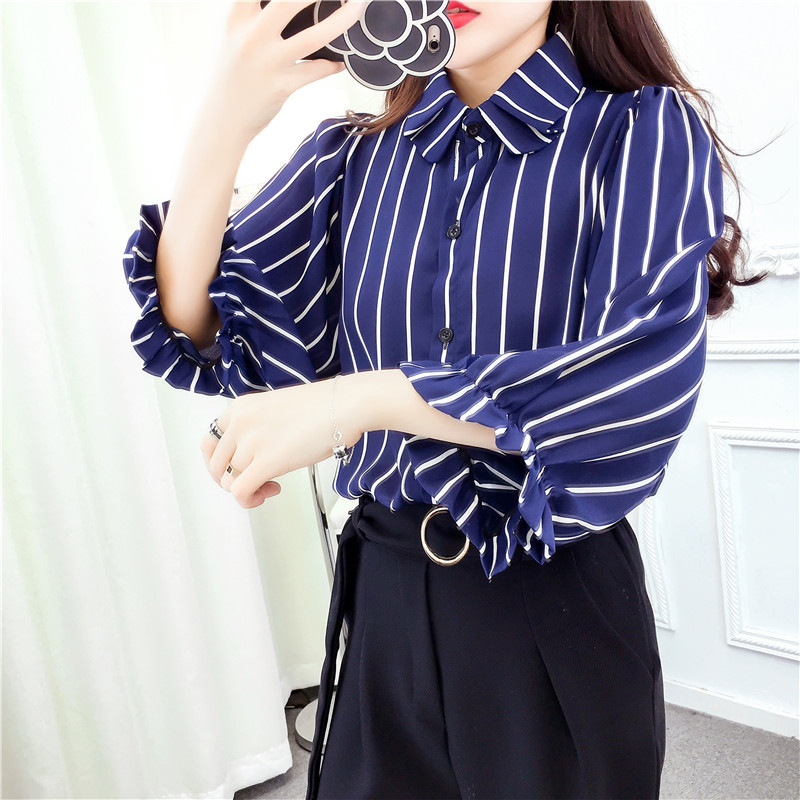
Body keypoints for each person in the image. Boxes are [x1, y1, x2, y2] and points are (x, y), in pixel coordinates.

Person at [121, 1, 765, 797]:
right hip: (384, 597)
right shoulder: (353, 158)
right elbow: (197, 322)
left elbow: (635, 385)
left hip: (549, 597)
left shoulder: (639, 131)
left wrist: (364, 401)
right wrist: (227, 115)